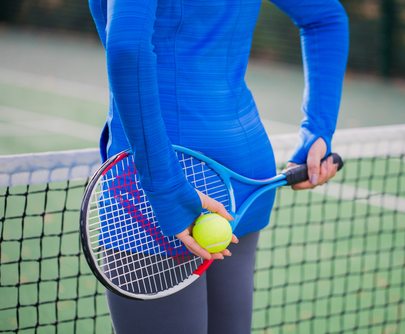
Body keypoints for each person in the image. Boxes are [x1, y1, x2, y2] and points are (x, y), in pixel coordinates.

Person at [88, 0, 349, 333]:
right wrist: (318, 129)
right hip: (241, 171)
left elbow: (127, 48)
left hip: (157, 184)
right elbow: (325, 17)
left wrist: (166, 189)